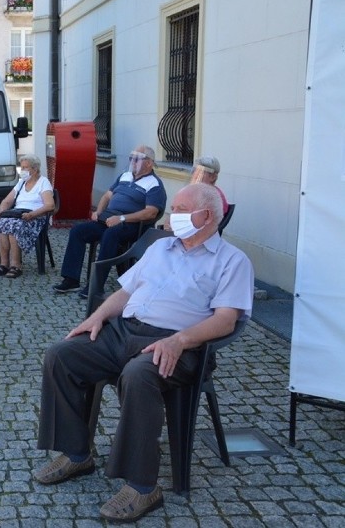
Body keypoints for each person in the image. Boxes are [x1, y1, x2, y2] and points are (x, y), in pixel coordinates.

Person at [34, 183, 254, 523]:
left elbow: (226, 321)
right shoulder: (161, 248)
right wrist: (96, 317)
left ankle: (142, 485)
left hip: (179, 344)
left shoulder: (232, 261)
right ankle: (77, 453)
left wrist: (179, 341)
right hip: (125, 331)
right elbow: (125, 292)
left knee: (138, 375)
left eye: (180, 210)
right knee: (61, 355)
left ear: (206, 216)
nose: (171, 217)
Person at [53, 145, 166, 297]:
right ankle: (71, 279)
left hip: (131, 225)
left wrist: (121, 218)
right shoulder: (124, 176)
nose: (133, 161)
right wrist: (98, 212)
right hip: (108, 219)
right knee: (78, 231)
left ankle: (96, 284)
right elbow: (107, 196)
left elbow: (151, 213)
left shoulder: (154, 184)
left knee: (110, 235)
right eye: (131, 157)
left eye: (138, 158)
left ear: (149, 163)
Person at [0, 154, 54, 278]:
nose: (23, 170)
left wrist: (32, 214)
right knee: (1, 224)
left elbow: (50, 205)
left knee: (14, 226)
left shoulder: (43, 182)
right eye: (22, 167)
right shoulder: (21, 182)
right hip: (18, 214)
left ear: (35, 169)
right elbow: (7, 201)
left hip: (35, 217)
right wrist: (1, 211)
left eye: (26, 168)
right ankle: (4, 264)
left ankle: (16, 265)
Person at [165, 156, 230, 231]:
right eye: (194, 172)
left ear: (213, 177)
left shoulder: (213, 198)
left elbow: (203, 224)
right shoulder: (200, 193)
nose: (195, 176)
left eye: (200, 173)